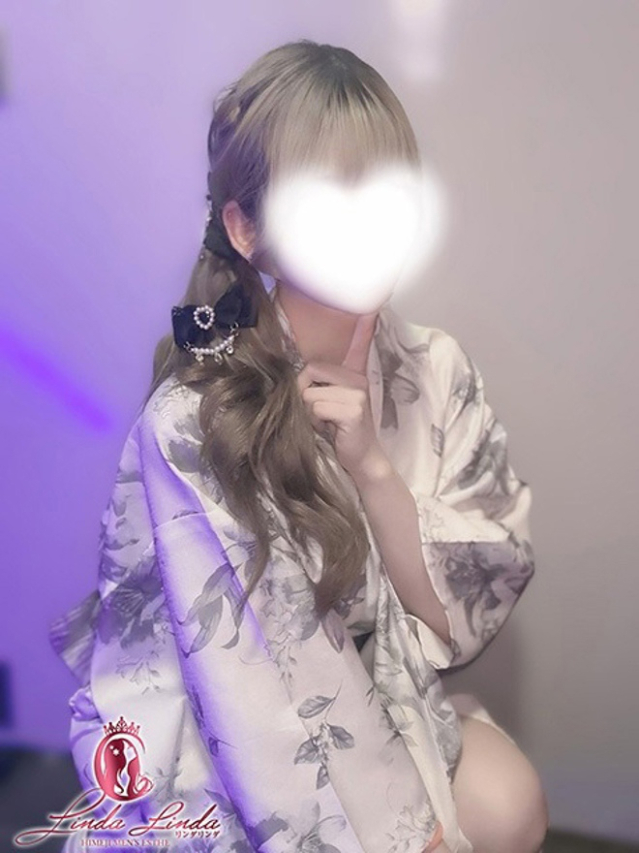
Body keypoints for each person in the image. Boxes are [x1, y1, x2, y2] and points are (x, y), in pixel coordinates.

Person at [47, 39, 549, 853]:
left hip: (385, 695)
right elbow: (244, 679)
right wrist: (404, 832)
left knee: (508, 800)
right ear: (245, 227)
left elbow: (465, 612)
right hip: (219, 737)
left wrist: (372, 469)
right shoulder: (197, 416)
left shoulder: (434, 367)